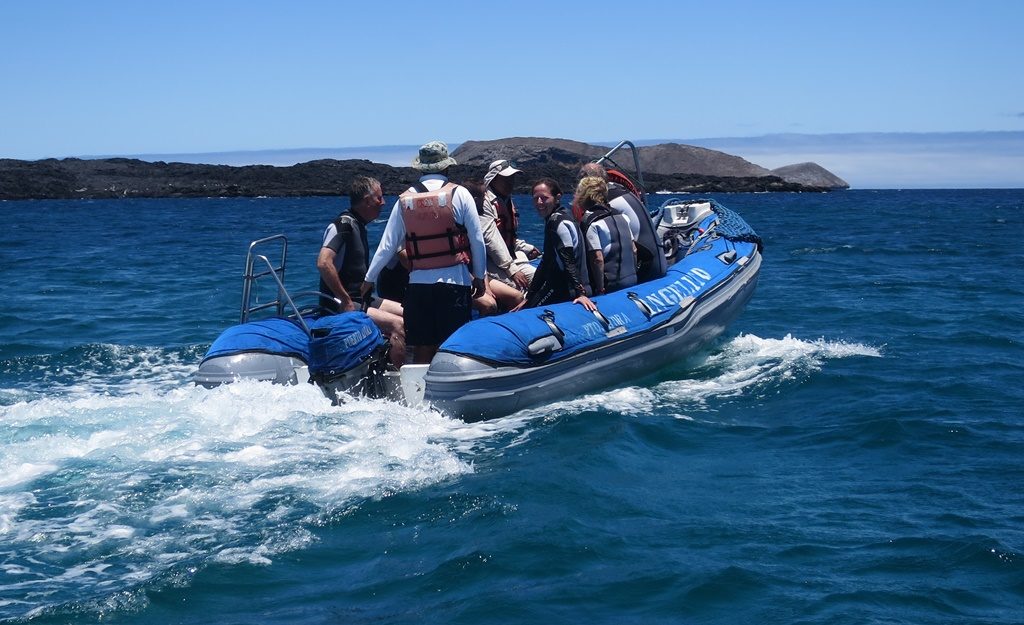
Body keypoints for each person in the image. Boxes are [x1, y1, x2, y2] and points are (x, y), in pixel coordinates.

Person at [361, 141, 487, 364]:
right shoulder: (461, 194)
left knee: (422, 346)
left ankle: (418, 392)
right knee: (451, 345)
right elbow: (477, 240)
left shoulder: (404, 199)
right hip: (454, 283)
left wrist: (368, 279)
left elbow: (387, 245)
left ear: (420, 168)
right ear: (446, 167)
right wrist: (479, 276)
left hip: (418, 286)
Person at [316, 176, 406, 368]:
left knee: (410, 313)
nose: (383, 203)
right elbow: (324, 263)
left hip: (362, 299)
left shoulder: (359, 225)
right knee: (398, 325)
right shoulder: (343, 225)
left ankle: (391, 359)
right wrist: (345, 301)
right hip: (340, 304)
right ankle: (399, 383)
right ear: (366, 200)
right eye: (379, 198)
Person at [514, 178, 595, 312]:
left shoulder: (556, 223)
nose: (539, 202)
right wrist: (529, 296)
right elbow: (546, 262)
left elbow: (568, 260)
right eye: (535, 198)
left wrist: (581, 294)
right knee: (528, 304)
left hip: (566, 290)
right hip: (576, 285)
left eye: (544, 198)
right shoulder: (565, 214)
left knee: (528, 311)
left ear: (557, 198)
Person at [578, 162, 666, 282]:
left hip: (646, 271)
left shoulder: (605, 205)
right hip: (658, 261)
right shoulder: (621, 191)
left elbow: (596, 255)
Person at [479, 160, 539, 310]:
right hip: (491, 263)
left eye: (512, 178)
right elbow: (492, 240)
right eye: (505, 178)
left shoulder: (506, 200)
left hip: (509, 258)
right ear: (493, 179)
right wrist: (512, 270)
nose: (510, 182)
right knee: (519, 287)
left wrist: (526, 248)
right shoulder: (485, 203)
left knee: (539, 279)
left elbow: (508, 235)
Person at [576, 176, 638, 295]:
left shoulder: (591, 223)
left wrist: (600, 288)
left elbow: (598, 259)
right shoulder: (623, 217)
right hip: (632, 280)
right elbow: (634, 250)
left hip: (611, 286)